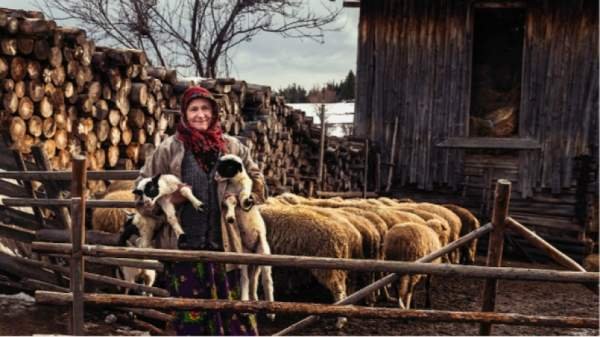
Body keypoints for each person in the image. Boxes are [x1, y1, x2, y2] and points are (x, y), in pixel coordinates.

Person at [136, 86, 266, 335]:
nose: (200, 115)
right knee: (190, 323)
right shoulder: (168, 149)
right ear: (184, 114)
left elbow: (259, 183)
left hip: (227, 250)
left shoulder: (233, 148)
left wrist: (240, 197)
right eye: (193, 109)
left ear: (215, 112)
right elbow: (141, 195)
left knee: (235, 321)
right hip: (184, 252)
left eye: (205, 108)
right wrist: (169, 200)